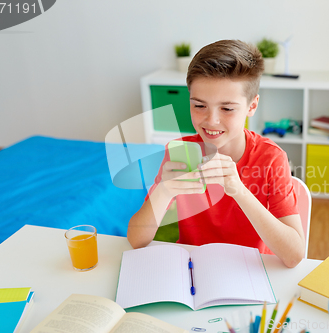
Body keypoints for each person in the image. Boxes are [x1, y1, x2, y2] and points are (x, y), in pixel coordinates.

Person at [127, 40, 305, 268]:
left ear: (252, 106)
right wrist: (163, 190)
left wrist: (238, 190)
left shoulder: (270, 159)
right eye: (199, 106)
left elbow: (294, 255)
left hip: (252, 270)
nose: (211, 121)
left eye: (227, 109)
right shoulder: (179, 153)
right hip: (195, 268)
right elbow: (136, 240)